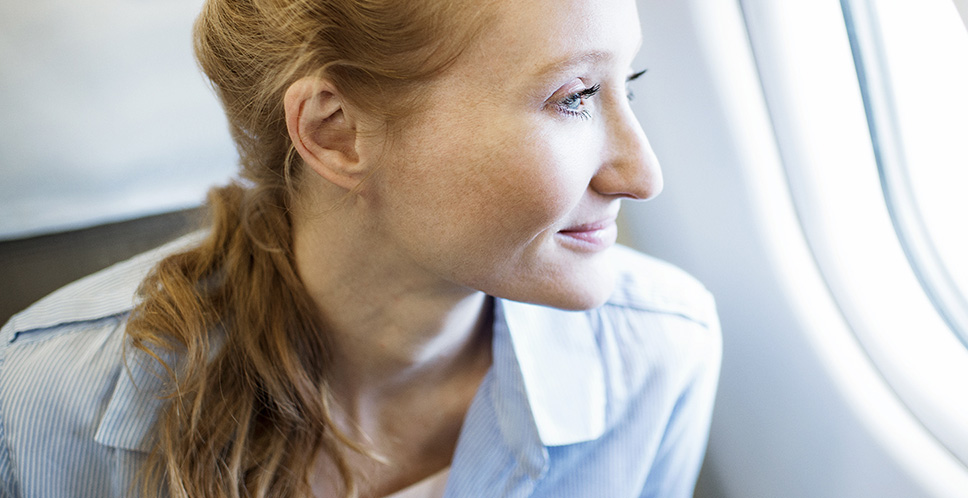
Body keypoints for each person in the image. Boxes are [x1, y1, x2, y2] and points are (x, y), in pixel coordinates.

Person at [0, 0, 721, 496]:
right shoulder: (40, 409)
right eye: (574, 96)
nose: (642, 175)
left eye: (629, 82)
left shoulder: (660, 353)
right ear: (336, 131)